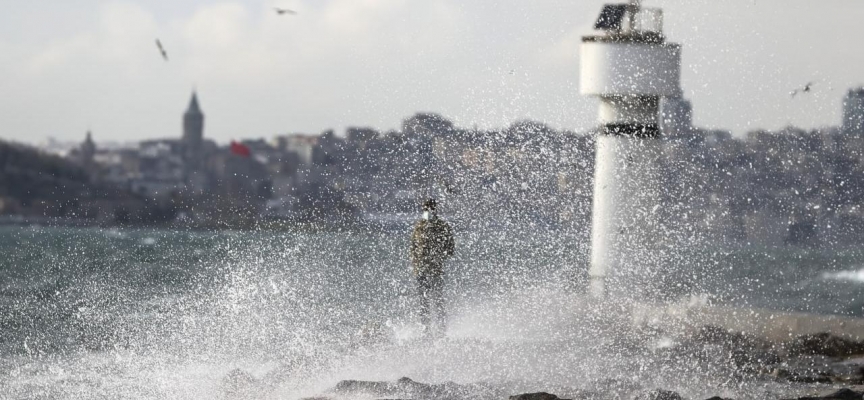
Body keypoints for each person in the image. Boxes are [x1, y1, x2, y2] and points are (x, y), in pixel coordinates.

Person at [409, 198, 455, 336]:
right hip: (421, 269)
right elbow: (413, 247)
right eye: (426, 209)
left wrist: (439, 256)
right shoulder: (419, 226)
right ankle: (426, 330)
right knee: (423, 301)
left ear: (435, 210)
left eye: (430, 209)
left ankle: (441, 330)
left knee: (438, 300)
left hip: (436, 268)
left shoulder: (443, 226)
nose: (428, 211)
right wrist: (416, 262)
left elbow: (451, 248)